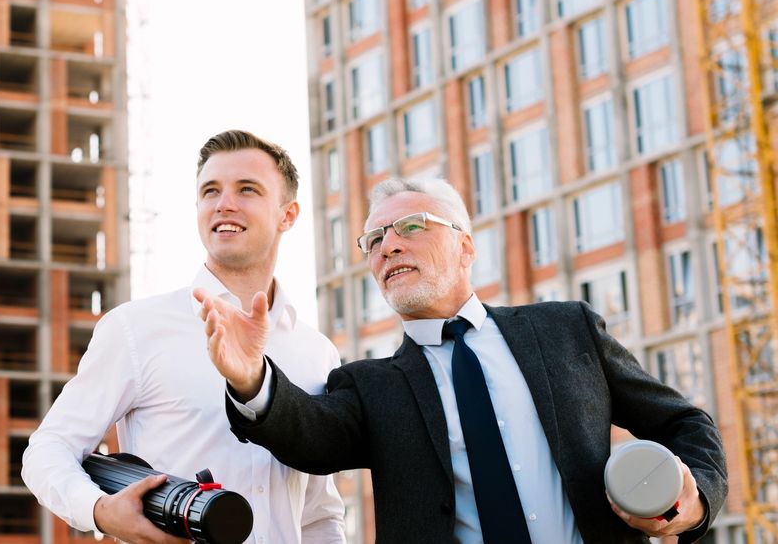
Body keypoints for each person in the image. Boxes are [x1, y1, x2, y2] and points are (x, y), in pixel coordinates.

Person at [196, 177, 727, 544]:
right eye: (374, 240)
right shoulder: (368, 385)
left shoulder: (567, 330)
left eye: (410, 227)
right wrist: (252, 379)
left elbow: (683, 421)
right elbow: (306, 433)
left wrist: (694, 501)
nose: (387, 247)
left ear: (465, 247)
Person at [23, 130, 346, 544]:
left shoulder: (317, 352)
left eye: (247, 189)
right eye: (210, 191)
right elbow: (48, 449)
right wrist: (102, 511)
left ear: (288, 215)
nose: (224, 203)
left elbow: (319, 514)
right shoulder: (136, 329)